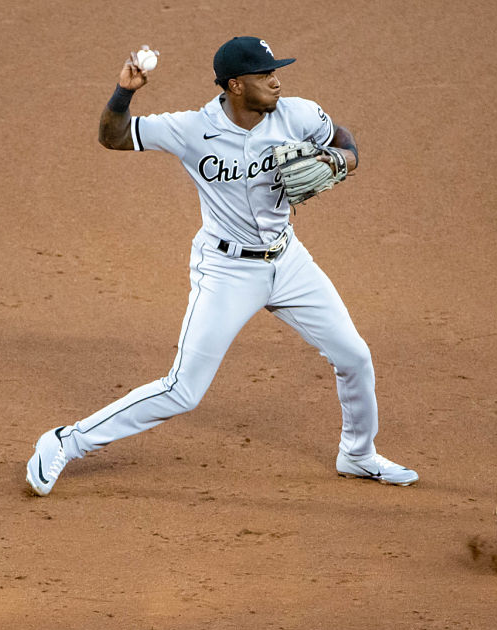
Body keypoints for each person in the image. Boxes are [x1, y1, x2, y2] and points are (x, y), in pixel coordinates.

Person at [26, 36, 418, 496]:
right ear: (235, 85)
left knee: (354, 356)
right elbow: (113, 136)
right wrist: (124, 91)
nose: (276, 82)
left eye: (276, 72)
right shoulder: (192, 128)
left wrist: (342, 160)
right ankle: (64, 442)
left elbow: (342, 140)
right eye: (264, 76)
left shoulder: (299, 113)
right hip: (227, 271)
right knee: (182, 391)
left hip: (289, 260)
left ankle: (357, 453)